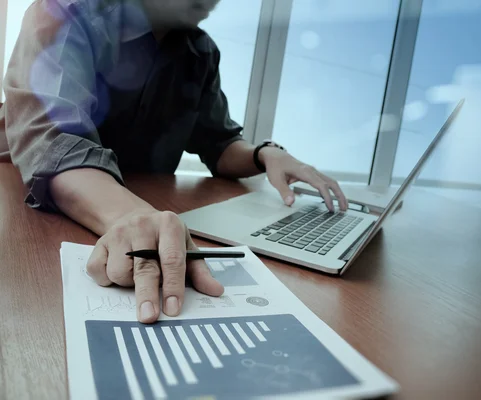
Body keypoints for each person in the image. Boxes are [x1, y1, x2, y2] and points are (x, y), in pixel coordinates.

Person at [0, 0, 348, 324]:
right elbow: (57, 141)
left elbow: (219, 143)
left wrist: (266, 153)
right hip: (27, 204)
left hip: (140, 206)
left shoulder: (201, 53)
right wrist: (131, 216)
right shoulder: (66, 11)